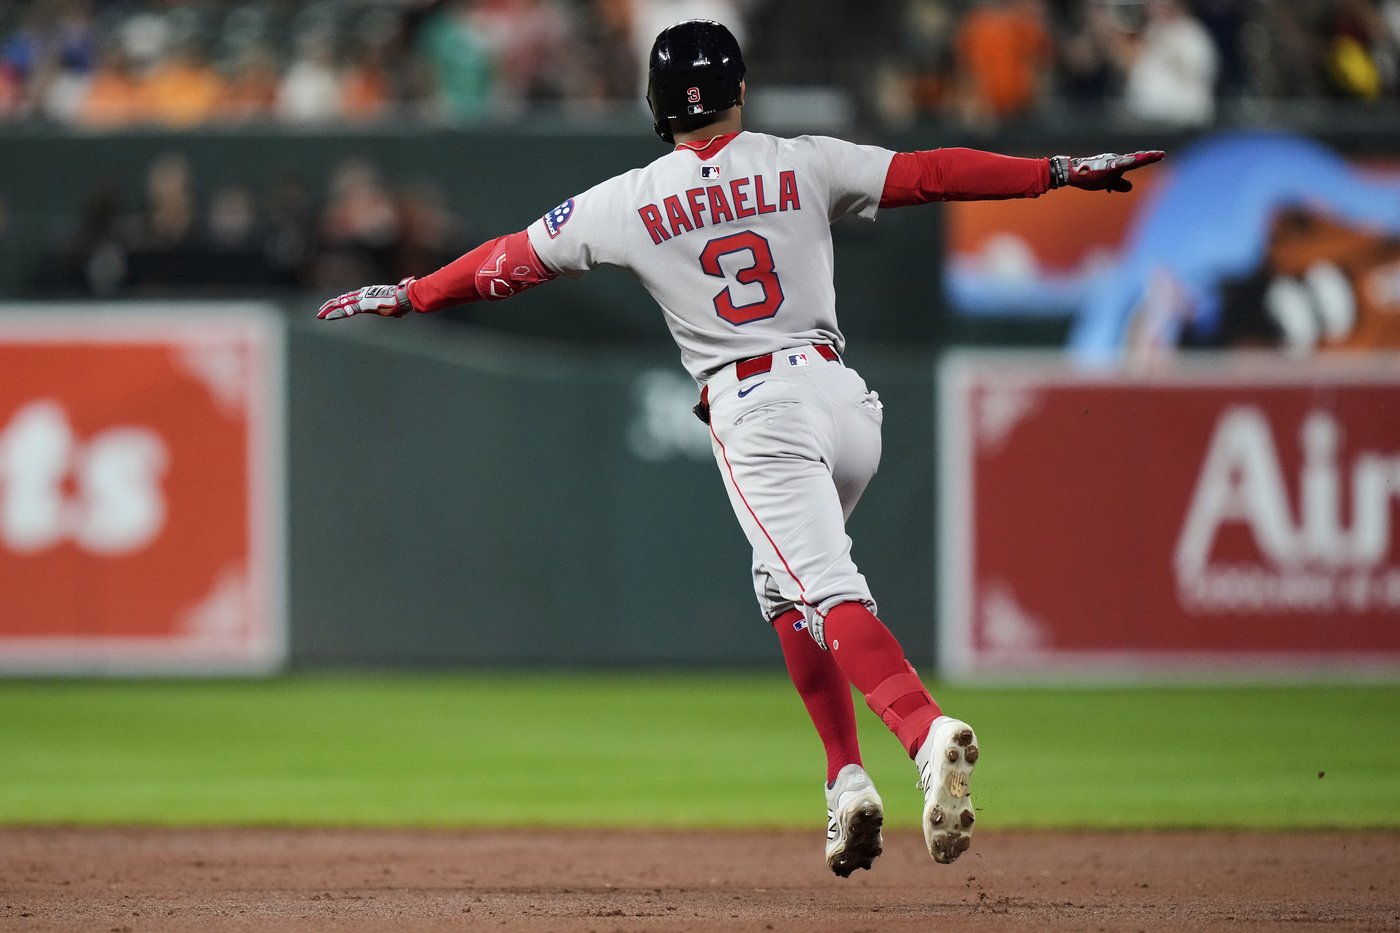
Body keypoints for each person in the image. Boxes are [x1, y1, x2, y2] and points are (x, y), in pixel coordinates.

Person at [317, 19, 1162, 877]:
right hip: (844, 402)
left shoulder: (629, 199)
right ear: (741, 91)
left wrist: (413, 293)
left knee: (827, 591)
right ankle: (846, 783)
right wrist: (1051, 171)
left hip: (759, 410)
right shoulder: (802, 160)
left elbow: (510, 259)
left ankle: (923, 730)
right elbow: (933, 173)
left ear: (655, 102)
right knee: (783, 588)